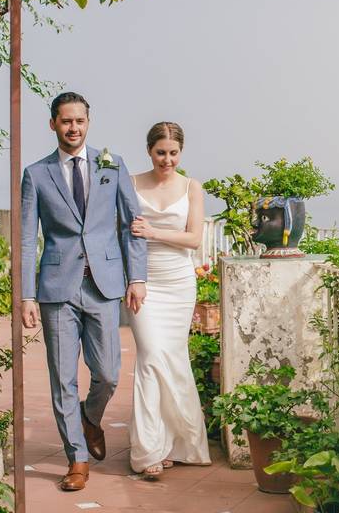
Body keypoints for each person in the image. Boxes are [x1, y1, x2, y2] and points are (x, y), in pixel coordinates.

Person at [20, 92, 148, 491]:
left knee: (108, 373)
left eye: (79, 121)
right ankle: (76, 458)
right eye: (65, 121)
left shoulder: (112, 166)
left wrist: (136, 277)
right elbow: (26, 239)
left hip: (104, 285)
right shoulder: (37, 174)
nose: (73, 128)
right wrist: (26, 295)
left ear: (88, 123)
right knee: (62, 379)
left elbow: (132, 224)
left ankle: (90, 417)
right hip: (57, 289)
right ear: (53, 124)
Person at [127, 121, 211, 476]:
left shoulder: (192, 188)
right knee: (150, 356)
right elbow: (125, 233)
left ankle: (177, 443)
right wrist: (134, 278)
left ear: (181, 152)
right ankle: (149, 449)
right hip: (144, 282)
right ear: (149, 150)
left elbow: (193, 239)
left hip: (178, 282)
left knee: (173, 358)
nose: (167, 159)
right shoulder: (130, 183)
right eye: (161, 152)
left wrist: (153, 232)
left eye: (174, 153)